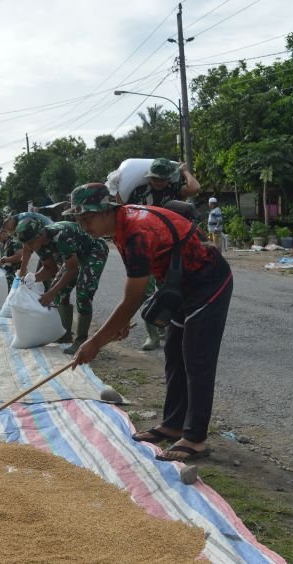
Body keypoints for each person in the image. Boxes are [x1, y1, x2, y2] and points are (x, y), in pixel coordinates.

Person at [67, 184, 232, 463]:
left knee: (196, 360)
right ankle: (173, 423)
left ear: (109, 210)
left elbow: (132, 298)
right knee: (174, 354)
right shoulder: (119, 228)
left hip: (208, 283)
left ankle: (195, 438)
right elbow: (139, 281)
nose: (84, 225)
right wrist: (118, 324)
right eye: (80, 219)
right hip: (179, 287)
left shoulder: (136, 231)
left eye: (89, 218)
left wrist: (95, 341)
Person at [126, 159, 201, 351]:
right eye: (155, 179)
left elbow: (194, 187)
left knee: (169, 289)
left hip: (169, 247)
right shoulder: (139, 192)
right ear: (149, 177)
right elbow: (127, 212)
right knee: (144, 292)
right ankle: (152, 336)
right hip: (145, 246)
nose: (159, 182)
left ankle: (166, 328)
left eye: (163, 179)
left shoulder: (174, 189)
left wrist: (184, 171)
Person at [15, 209, 108, 353]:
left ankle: (81, 340)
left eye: (31, 242)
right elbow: (50, 269)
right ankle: (65, 334)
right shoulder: (38, 244)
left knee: (83, 293)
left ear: (40, 235)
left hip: (93, 250)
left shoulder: (60, 236)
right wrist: (32, 279)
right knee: (60, 292)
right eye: (26, 244)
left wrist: (51, 293)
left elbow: (73, 269)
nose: (29, 247)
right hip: (73, 256)